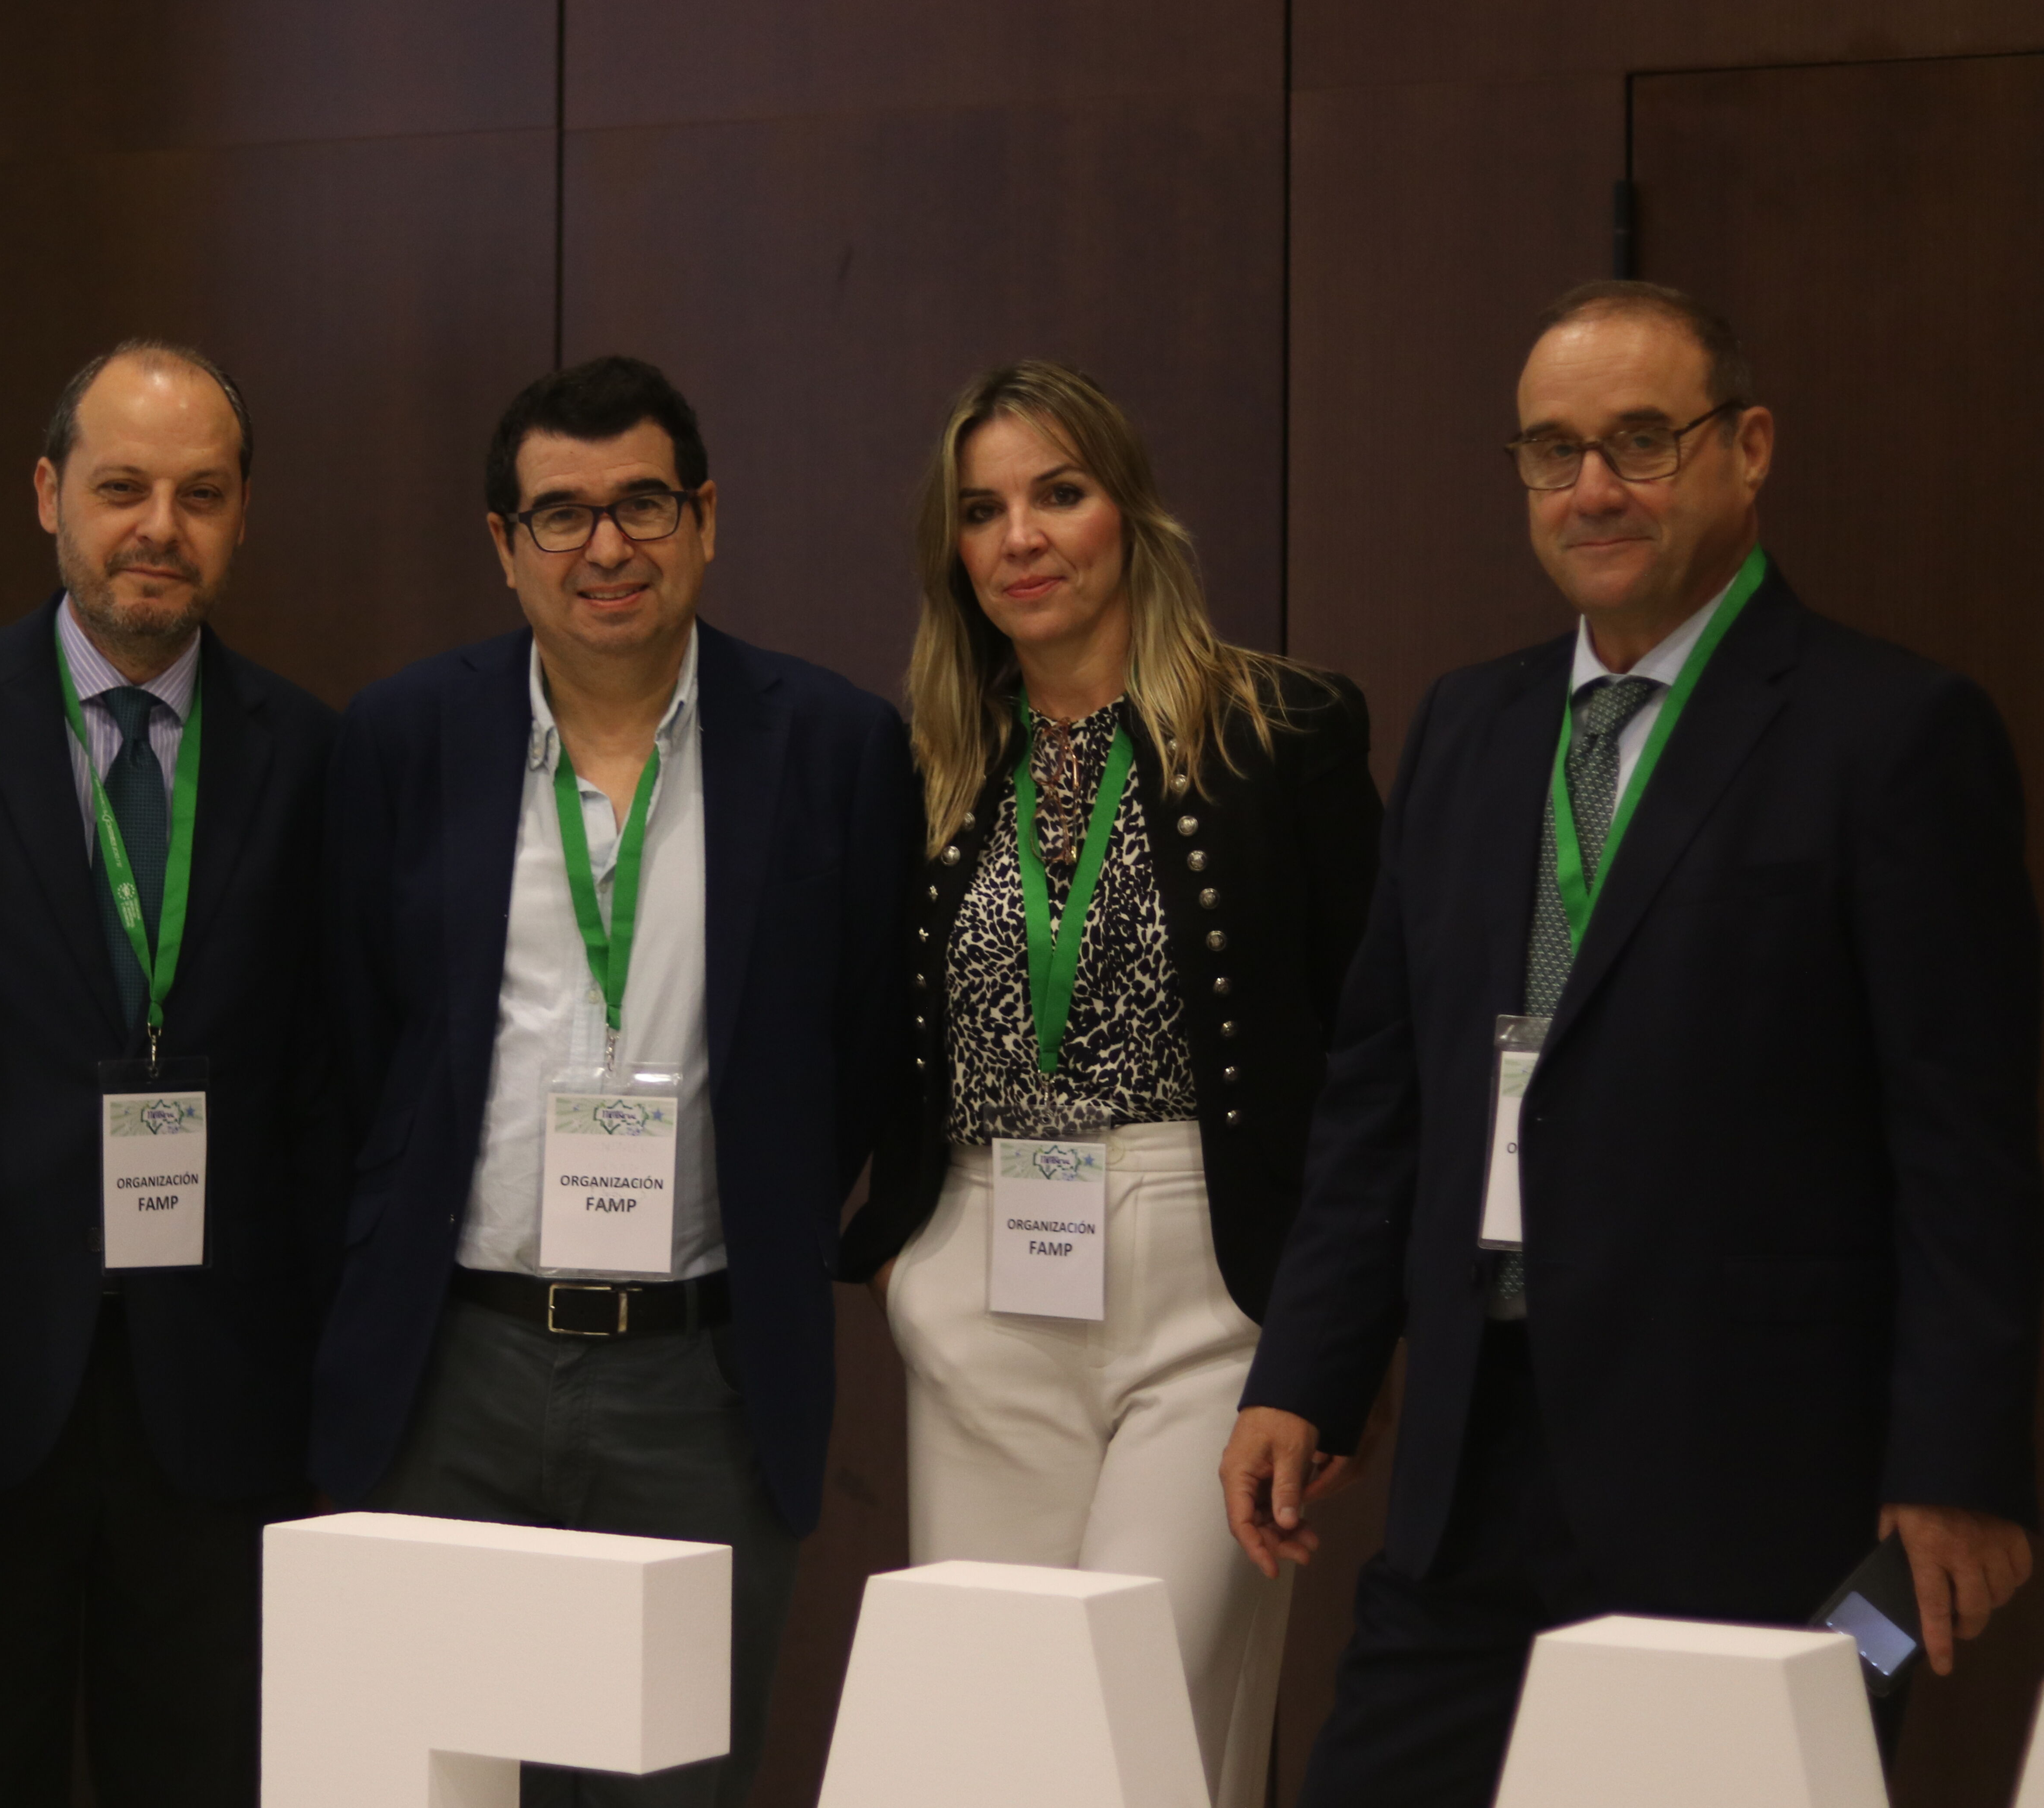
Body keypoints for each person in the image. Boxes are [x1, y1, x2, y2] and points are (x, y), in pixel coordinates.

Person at [1221, 281, 2042, 1806]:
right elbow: (1381, 1095)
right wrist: (1306, 1372)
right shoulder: (1468, 727)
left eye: (1639, 441)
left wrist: (1960, 1465)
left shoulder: (1890, 733)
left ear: (1748, 447)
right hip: (1476, 1463)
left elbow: (1969, 1143)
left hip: (1759, 1483)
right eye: (1552, 451)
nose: (1591, 487)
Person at [313, 354, 916, 1806]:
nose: (605, 548)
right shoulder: (403, 740)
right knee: (434, 1782)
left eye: (642, 505)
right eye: (561, 514)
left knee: (674, 1784)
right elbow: (351, 1043)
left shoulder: (831, 746)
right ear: (503, 544)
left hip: (700, 1381)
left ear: (705, 518)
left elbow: (867, 1043)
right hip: (454, 1372)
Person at [831, 361, 1380, 1808]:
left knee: (1140, 1733)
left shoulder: (1281, 730)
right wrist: (898, 1251)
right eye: (981, 511)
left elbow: (1370, 1050)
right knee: (986, 1751)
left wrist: (1333, 1348)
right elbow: (868, 1029)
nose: (1020, 538)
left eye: (1057, 495)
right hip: (985, 1291)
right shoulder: (928, 758)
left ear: (1128, 511)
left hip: (1211, 1296)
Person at [0, 341, 337, 1806]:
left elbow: (330, 1083)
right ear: (46, 494)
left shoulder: (316, 754)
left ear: (242, 513)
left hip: (222, 1396)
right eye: (122, 487)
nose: (159, 528)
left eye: (201, 494)